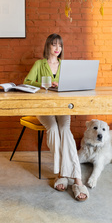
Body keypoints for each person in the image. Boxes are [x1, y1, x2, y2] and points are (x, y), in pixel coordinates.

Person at [24, 33, 89, 201]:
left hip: (62, 106)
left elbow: (74, 84)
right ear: (48, 46)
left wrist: (63, 84)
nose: (57, 48)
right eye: (54, 45)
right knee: (53, 128)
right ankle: (62, 173)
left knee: (64, 130)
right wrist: (44, 84)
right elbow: (27, 82)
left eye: (60, 45)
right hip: (43, 107)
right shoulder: (39, 64)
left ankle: (75, 179)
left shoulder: (65, 65)